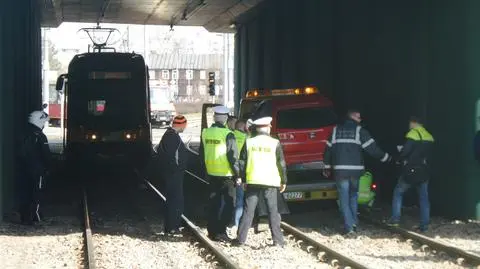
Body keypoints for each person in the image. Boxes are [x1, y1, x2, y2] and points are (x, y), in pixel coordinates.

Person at [323, 109, 391, 235]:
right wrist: (386, 158)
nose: (360, 120)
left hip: (340, 171)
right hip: (355, 172)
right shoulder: (360, 131)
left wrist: (327, 167)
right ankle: (353, 223)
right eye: (359, 117)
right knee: (353, 196)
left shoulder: (335, 131)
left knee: (343, 198)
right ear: (353, 117)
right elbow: (372, 149)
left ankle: (349, 226)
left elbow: (328, 150)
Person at [233, 117, 287, 247]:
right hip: (271, 181)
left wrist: (244, 179)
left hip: (253, 181)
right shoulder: (275, 143)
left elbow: (242, 163)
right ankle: (278, 241)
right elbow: (281, 164)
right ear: (268, 127)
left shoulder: (249, 142)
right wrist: (283, 180)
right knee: (272, 211)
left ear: (257, 128)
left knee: (248, 211)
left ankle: (240, 240)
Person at [387, 116, 434, 232]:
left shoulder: (412, 134)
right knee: (424, 198)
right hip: (424, 171)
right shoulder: (429, 136)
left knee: (398, 192)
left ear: (414, 123)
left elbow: (405, 152)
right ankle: (424, 225)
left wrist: (399, 156)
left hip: (411, 171)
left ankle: (395, 220)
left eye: (410, 123)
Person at [200, 105, 240, 242]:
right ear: (226, 119)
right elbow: (232, 157)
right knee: (229, 204)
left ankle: (212, 231)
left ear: (215, 117)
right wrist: (238, 175)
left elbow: (202, 153)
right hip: (227, 175)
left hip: (211, 173)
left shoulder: (206, 132)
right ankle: (221, 231)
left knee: (213, 203)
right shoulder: (228, 134)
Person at [14, 109, 51, 225]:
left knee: (25, 192)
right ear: (39, 122)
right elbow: (46, 155)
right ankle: (36, 216)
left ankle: (24, 217)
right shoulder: (41, 137)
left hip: (24, 170)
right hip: (37, 170)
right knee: (37, 193)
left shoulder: (24, 134)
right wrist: (48, 168)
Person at [156, 115, 189, 235]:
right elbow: (171, 157)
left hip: (171, 173)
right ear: (181, 125)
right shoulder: (172, 137)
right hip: (173, 174)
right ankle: (172, 227)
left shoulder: (169, 135)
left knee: (172, 199)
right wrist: (176, 169)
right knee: (175, 200)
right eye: (185, 124)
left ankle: (171, 226)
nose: (185, 126)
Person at [229, 119, 247, 235]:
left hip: (230, 171)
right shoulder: (247, 138)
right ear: (244, 126)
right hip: (243, 172)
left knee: (233, 198)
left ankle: (233, 222)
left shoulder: (230, 136)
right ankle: (239, 223)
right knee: (243, 199)